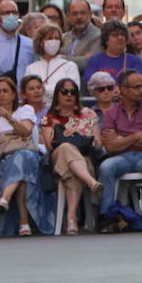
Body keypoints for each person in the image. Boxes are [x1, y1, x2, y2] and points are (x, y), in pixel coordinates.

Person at [96, 69, 142, 231]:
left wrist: (121, 139)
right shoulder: (111, 114)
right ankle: (107, 217)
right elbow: (109, 146)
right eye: (136, 87)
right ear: (123, 89)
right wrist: (136, 137)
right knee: (106, 167)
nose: (141, 90)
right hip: (121, 158)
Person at [0, 76, 44, 236]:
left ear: (13, 94)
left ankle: (6, 197)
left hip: (27, 155)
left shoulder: (25, 110)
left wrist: (8, 117)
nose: (2, 95)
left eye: (6, 91)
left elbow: (26, 132)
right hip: (3, 161)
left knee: (23, 157)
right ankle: (24, 223)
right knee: (21, 166)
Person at [41, 77, 103, 235]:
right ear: (57, 94)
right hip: (57, 158)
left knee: (71, 170)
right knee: (66, 147)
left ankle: (71, 219)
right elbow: (49, 145)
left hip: (84, 159)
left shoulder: (88, 114)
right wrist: (65, 135)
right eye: (65, 91)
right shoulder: (49, 118)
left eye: (73, 92)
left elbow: (97, 143)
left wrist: (77, 133)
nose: (69, 95)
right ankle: (91, 182)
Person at [23, 24, 81, 106]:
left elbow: (72, 91)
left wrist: (43, 89)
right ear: (41, 42)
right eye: (49, 38)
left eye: (57, 38)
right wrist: (54, 90)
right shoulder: (31, 68)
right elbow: (28, 92)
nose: (54, 41)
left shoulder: (70, 66)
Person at [63, 0, 102, 67]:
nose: (79, 17)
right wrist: (81, 58)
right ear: (69, 16)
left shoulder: (99, 36)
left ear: (90, 15)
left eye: (83, 13)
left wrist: (61, 59)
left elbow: (89, 62)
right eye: (75, 13)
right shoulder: (63, 37)